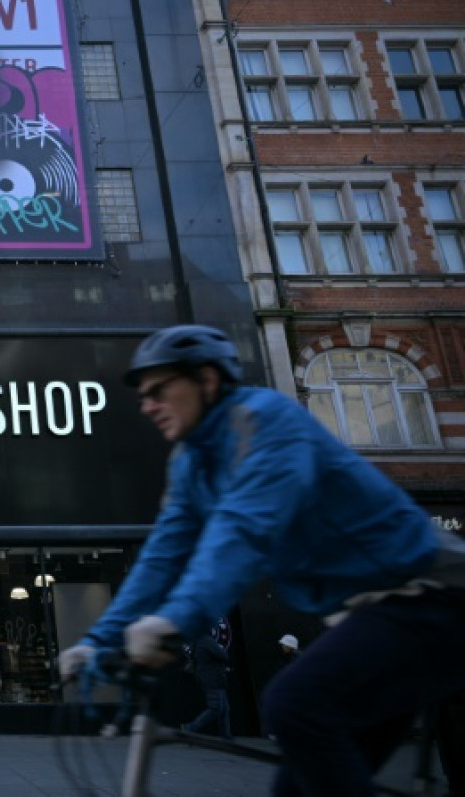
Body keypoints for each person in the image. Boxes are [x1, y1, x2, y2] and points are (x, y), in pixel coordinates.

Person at [56, 324, 465, 797]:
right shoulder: (191, 461)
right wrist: (98, 641)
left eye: (160, 390)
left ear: (207, 380)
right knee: (299, 784)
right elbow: (163, 556)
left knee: (293, 706)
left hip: (432, 596)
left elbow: (242, 530)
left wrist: (174, 620)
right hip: (370, 612)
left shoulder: (264, 420)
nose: (147, 406)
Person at [180, 630, 231, 740]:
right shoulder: (207, 640)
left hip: (207, 678)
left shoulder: (197, 641)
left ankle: (226, 735)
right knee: (216, 708)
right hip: (214, 678)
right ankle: (190, 727)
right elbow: (223, 655)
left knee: (224, 708)